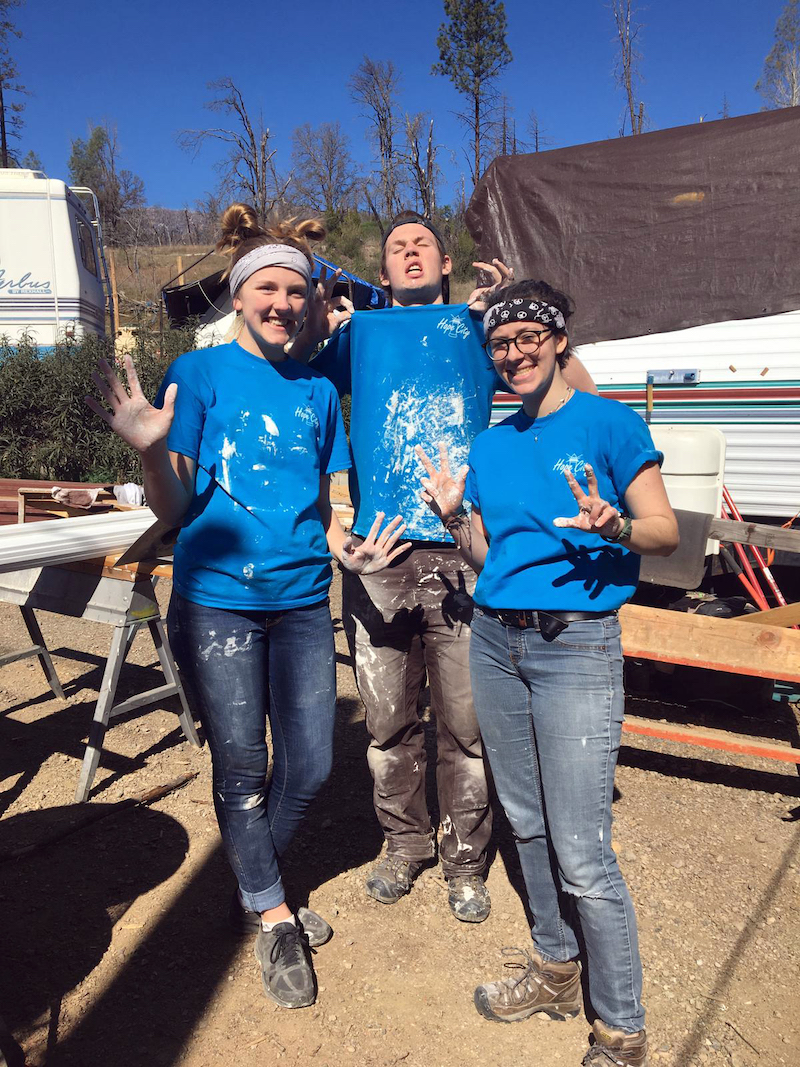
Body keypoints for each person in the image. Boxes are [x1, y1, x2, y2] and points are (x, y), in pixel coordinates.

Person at [86, 204, 409, 1010]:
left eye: (295, 291)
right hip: (219, 602)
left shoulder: (315, 390)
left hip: (303, 598)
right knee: (243, 767)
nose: (282, 303)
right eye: (265, 287)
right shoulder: (197, 378)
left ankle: (250, 877)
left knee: (312, 764)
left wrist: (348, 548)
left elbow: (329, 506)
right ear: (237, 294)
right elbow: (175, 502)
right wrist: (151, 448)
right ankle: (272, 913)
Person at [292, 213, 598, 923]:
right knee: (387, 719)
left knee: (467, 724)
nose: (407, 252)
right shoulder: (360, 331)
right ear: (386, 266)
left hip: (465, 543)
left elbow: (569, 381)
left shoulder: (476, 324)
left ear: (445, 262)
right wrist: (313, 306)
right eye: (396, 247)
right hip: (380, 548)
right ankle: (404, 846)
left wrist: (513, 306)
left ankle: (465, 859)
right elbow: (299, 370)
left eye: (420, 243)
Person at [417, 279, 679, 1065]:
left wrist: (617, 523)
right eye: (500, 344)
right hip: (497, 640)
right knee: (523, 819)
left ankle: (622, 1028)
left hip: (576, 648)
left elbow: (667, 532)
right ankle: (556, 967)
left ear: (559, 339)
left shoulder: (608, 422)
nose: (514, 354)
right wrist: (453, 518)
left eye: (529, 337)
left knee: (582, 848)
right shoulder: (493, 441)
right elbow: (492, 560)